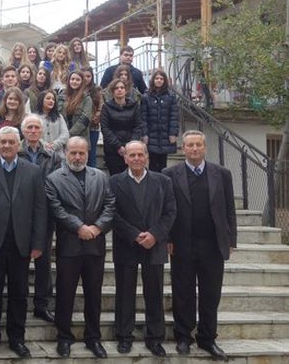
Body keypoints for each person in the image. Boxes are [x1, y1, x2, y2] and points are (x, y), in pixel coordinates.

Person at [0, 126, 47, 359]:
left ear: (18, 144)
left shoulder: (33, 171)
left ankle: (17, 338)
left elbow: (40, 209)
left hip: (21, 245)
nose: (6, 146)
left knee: (19, 294)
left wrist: (37, 243)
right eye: (2, 142)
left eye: (11, 142)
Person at [163, 130, 237, 360]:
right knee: (182, 291)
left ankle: (207, 338)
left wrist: (231, 239)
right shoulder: (170, 174)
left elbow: (229, 209)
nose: (194, 149)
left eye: (198, 145)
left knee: (210, 293)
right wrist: (167, 238)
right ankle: (183, 336)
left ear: (204, 147)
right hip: (182, 243)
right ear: (183, 149)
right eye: (190, 145)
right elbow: (166, 210)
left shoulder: (222, 174)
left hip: (212, 245)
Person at [45, 136, 115, 359]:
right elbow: (56, 209)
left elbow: (110, 205)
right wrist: (79, 227)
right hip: (69, 246)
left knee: (94, 295)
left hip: (95, 245)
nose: (77, 157)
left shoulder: (101, 177)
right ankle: (64, 337)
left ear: (88, 153)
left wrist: (98, 227)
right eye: (73, 152)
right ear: (65, 153)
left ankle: (93, 337)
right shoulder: (54, 178)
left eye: (81, 153)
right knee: (65, 294)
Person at [110, 141, 176, 357]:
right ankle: (124, 335)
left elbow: (170, 212)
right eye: (132, 155)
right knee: (124, 292)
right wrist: (134, 234)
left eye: (140, 154)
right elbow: (112, 213)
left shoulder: (163, 181)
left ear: (147, 156)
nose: (136, 158)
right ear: (125, 158)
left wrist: (155, 235)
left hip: (154, 245)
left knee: (155, 293)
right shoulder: (114, 181)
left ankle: (155, 337)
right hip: (127, 244)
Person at [17, 115, 59, 324]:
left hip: (44, 215)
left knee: (43, 263)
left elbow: (57, 184)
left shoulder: (52, 156)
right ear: (23, 131)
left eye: (36, 128)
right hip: (20, 215)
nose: (33, 131)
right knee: (21, 262)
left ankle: (42, 305)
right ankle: (20, 302)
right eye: (29, 127)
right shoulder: (15, 153)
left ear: (42, 132)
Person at [100, 79, 143, 175]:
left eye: (122, 87)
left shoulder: (134, 105)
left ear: (126, 90)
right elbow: (105, 128)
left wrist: (130, 146)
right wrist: (118, 147)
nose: (119, 90)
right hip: (113, 150)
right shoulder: (106, 107)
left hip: (131, 150)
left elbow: (138, 126)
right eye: (116, 88)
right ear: (112, 91)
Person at [141, 69, 179, 172]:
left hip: (165, 134)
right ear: (153, 80)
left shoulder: (171, 97)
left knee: (163, 164)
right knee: (152, 163)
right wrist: (144, 134)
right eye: (157, 78)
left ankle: (163, 186)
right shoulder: (146, 97)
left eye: (161, 79)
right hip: (151, 134)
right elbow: (143, 117)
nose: (159, 80)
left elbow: (174, 116)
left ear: (164, 81)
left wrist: (173, 133)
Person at [35, 89, 69, 159]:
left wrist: (54, 145)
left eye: (53, 99)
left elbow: (65, 134)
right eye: (48, 98)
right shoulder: (34, 117)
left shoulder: (59, 117)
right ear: (41, 100)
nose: (51, 101)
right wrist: (45, 145)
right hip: (40, 155)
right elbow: (33, 134)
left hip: (58, 156)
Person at [63, 70, 93, 139]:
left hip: (81, 137)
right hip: (63, 138)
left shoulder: (87, 99)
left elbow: (85, 119)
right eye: (72, 79)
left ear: (82, 82)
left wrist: (70, 133)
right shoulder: (62, 96)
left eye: (77, 80)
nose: (74, 81)